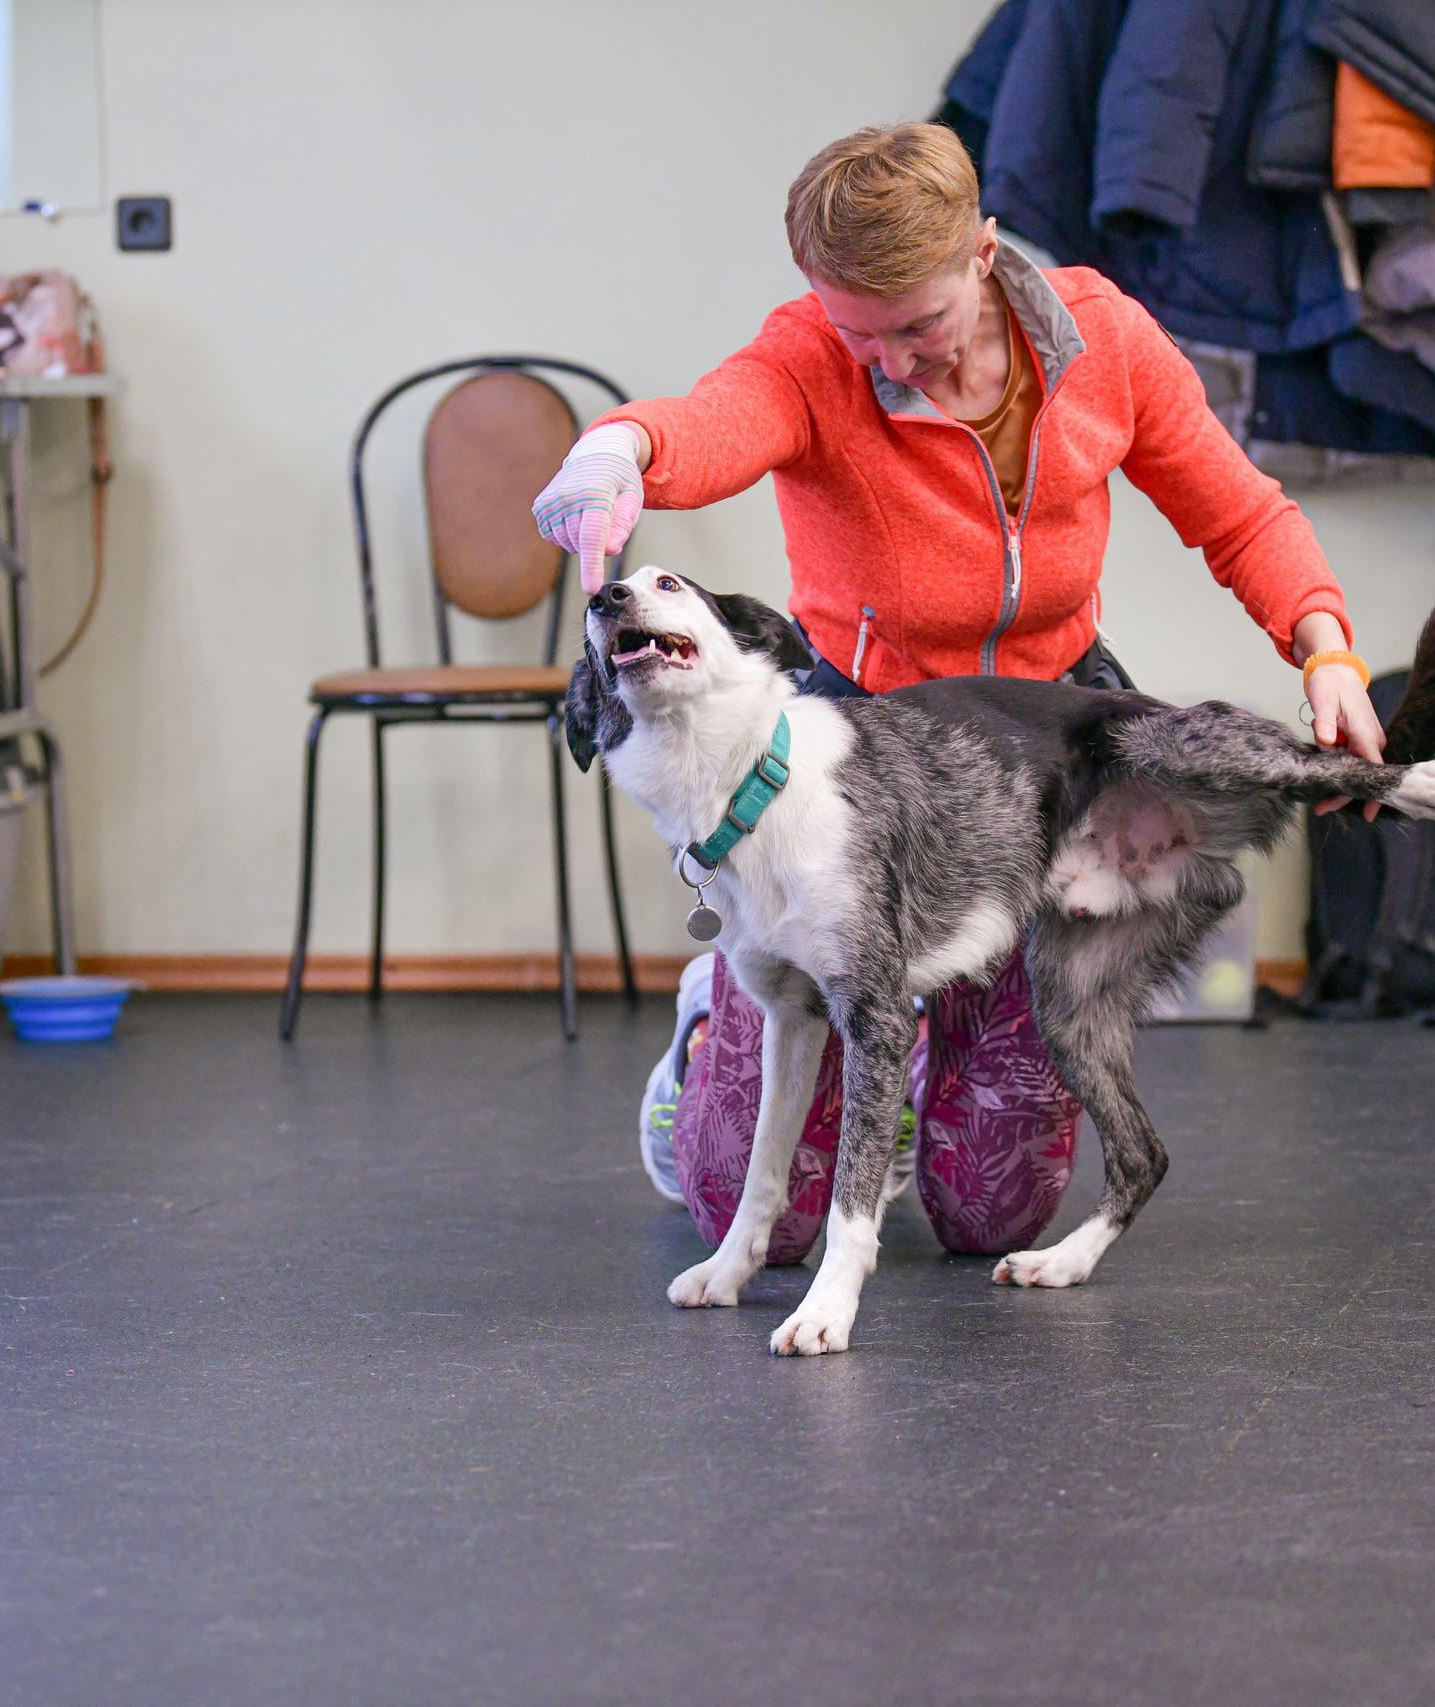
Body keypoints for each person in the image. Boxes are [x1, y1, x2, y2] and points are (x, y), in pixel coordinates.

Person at [534, 123, 1385, 1262]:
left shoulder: (1105, 340)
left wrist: (1326, 653)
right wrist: (620, 449)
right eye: (857, 331)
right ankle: (721, 1011)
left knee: (990, 1215)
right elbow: (713, 422)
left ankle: (902, 1034)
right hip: (858, 732)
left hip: (1043, 752)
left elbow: (1238, 513)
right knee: (754, 1220)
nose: (889, 360)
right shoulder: (809, 357)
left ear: (983, 254)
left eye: (918, 326)